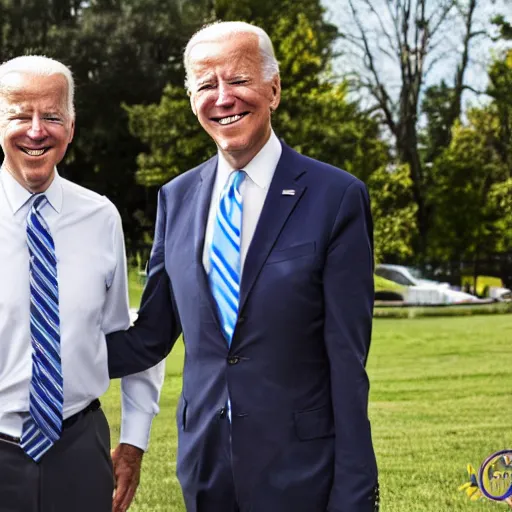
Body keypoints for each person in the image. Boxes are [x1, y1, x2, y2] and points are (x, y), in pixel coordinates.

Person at [107, 21, 379, 512]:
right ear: (192, 99)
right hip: (206, 468)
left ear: (273, 89)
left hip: (302, 472)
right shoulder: (178, 196)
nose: (223, 97)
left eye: (238, 80)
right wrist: (46, 349)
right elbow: (150, 337)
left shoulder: (337, 197)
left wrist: (356, 495)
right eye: (206, 85)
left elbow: (347, 363)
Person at [0, 55, 165, 512]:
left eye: (51, 115)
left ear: (70, 126)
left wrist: (132, 442)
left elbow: (126, 338)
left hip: (78, 448)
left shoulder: (101, 217)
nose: (36, 130)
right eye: (19, 114)